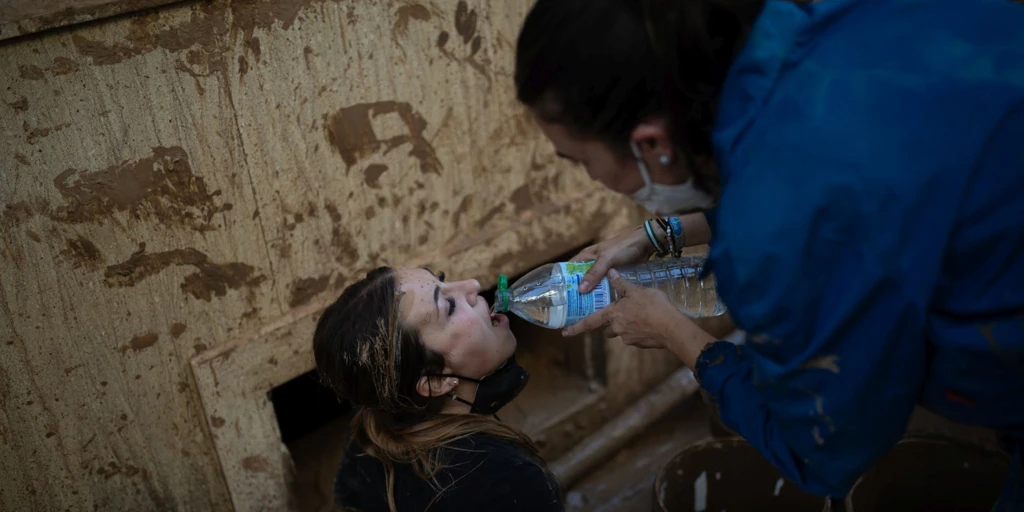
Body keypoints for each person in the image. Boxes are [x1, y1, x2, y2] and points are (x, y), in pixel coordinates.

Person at [514, 0, 1024, 508]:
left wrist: (673, 331)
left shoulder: (783, 237)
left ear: (651, 143)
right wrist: (665, 232)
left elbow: (825, 450)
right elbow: (852, 193)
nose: (592, 180)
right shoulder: (811, 26)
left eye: (580, 161)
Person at [313, 267, 563, 512]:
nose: (473, 284)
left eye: (442, 280)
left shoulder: (369, 429)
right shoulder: (508, 483)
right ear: (434, 381)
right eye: (449, 307)